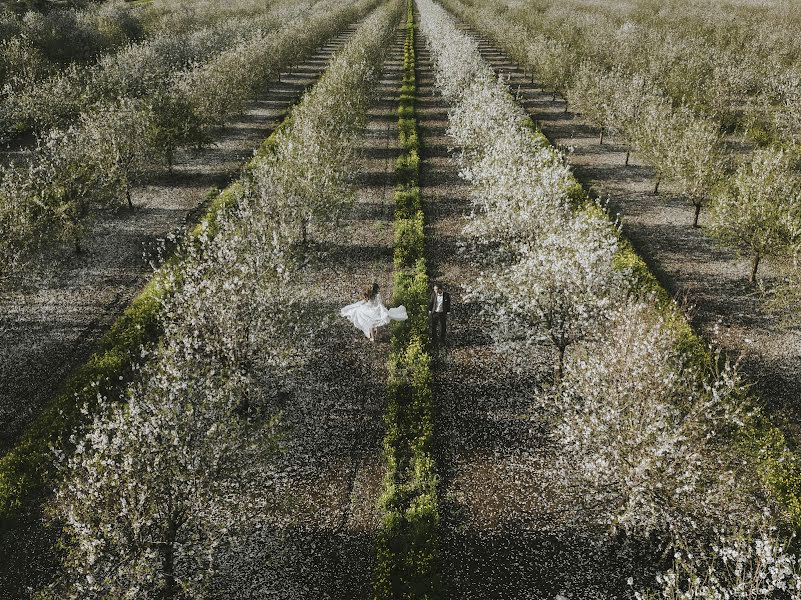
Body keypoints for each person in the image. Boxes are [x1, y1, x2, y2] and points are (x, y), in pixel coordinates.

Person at [340, 283, 408, 341]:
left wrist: (364, 303)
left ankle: (373, 338)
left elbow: (366, 301)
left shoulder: (369, 294)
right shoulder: (377, 295)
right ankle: (377, 334)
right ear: (377, 289)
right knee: (377, 323)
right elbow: (380, 303)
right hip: (376, 310)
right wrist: (383, 309)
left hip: (368, 310)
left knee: (371, 324)